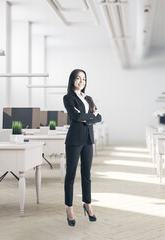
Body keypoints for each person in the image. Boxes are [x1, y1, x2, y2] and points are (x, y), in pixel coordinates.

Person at [63, 69, 102, 227]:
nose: (81, 81)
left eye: (84, 79)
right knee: (71, 175)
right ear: (72, 80)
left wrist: (87, 118)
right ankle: (69, 208)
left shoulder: (89, 98)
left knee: (86, 174)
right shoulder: (68, 98)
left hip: (88, 140)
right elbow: (76, 116)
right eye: (78, 78)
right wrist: (89, 116)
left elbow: (99, 117)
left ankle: (87, 203)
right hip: (74, 140)